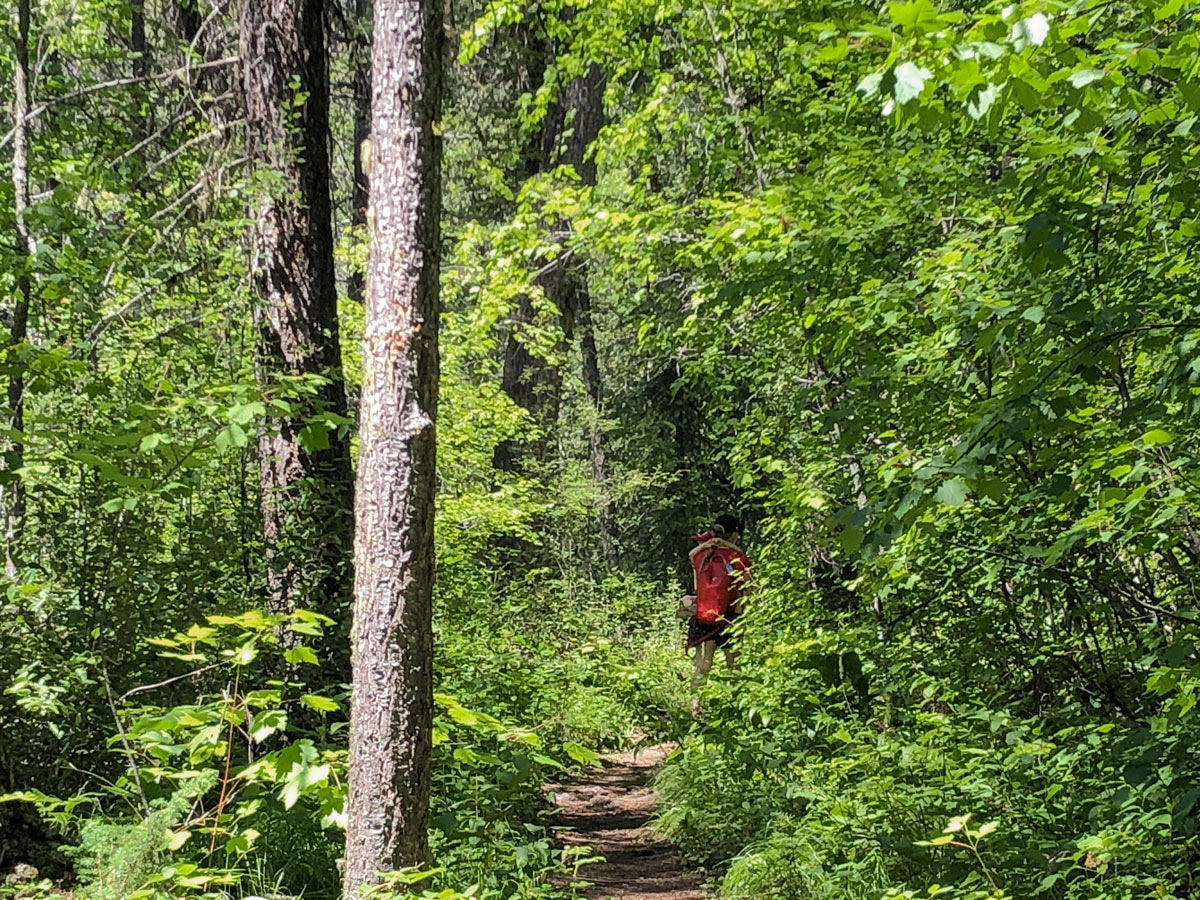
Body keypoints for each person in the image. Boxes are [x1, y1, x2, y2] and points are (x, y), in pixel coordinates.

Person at [678, 514, 750, 712]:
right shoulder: (736, 557)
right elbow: (748, 588)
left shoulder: (702, 555)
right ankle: (737, 710)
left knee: (703, 666)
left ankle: (694, 709)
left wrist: (706, 544)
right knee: (733, 666)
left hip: (704, 617)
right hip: (730, 618)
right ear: (735, 534)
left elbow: (691, 556)